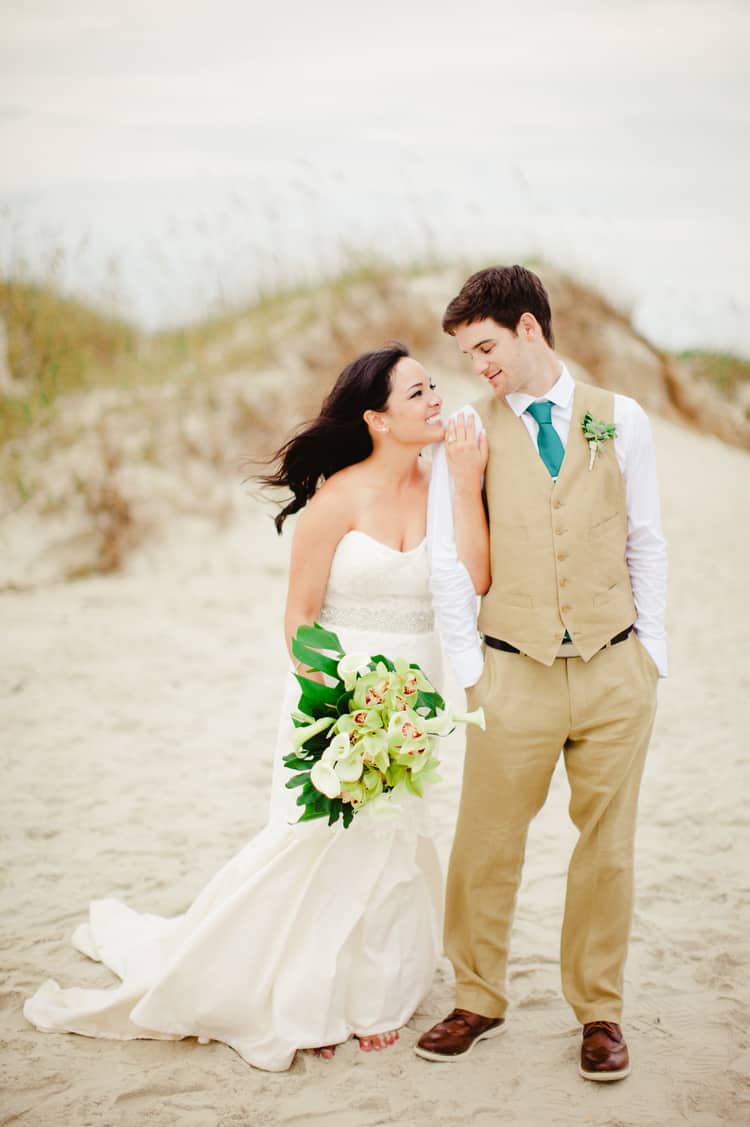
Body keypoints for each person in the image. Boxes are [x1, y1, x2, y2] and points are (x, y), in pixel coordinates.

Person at [23, 343, 489, 1072]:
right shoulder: (335, 500)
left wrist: (466, 484)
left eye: (436, 387)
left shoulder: (443, 488)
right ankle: (308, 993)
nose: (437, 400)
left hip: (414, 699)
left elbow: (477, 579)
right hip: (336, 700)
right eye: (418, 392)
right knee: (318, 842)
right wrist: (337, 709)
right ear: (377, 418)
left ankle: (374, 992)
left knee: (393, 841)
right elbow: (300, 620)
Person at [417, 266, 667, 1081]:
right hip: (511, 671)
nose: (477, 365)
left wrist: (649, 654)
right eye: (465, 352)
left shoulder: (620, 419)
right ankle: (477, 996)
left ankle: (599, 1012)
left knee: (608, 849)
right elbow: (451, 561)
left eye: (485, 346)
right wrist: (469, 673)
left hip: (612, 666)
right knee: (485, 843)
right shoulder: (468, 430)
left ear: (530, 329)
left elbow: (645, 539)